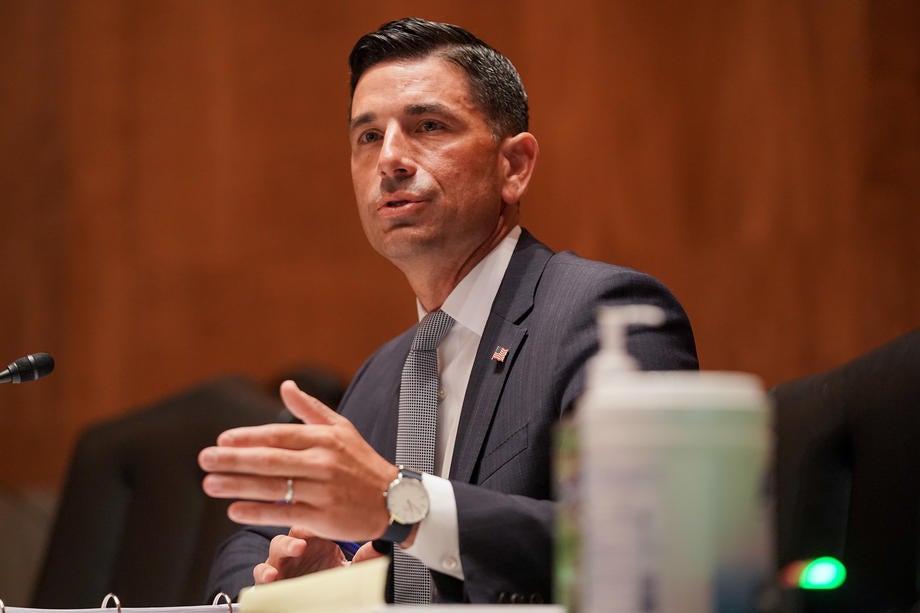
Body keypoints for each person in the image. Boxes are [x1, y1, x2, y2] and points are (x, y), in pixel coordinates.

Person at [198, 17, 698, 605]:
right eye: (367, 136)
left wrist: (401, 502)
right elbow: (251, 543)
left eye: (428, 126)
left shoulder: (602, 315)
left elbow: (643, 548)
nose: (390, 159)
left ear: (514, 167)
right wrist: (300, 587)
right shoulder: (385, 376)